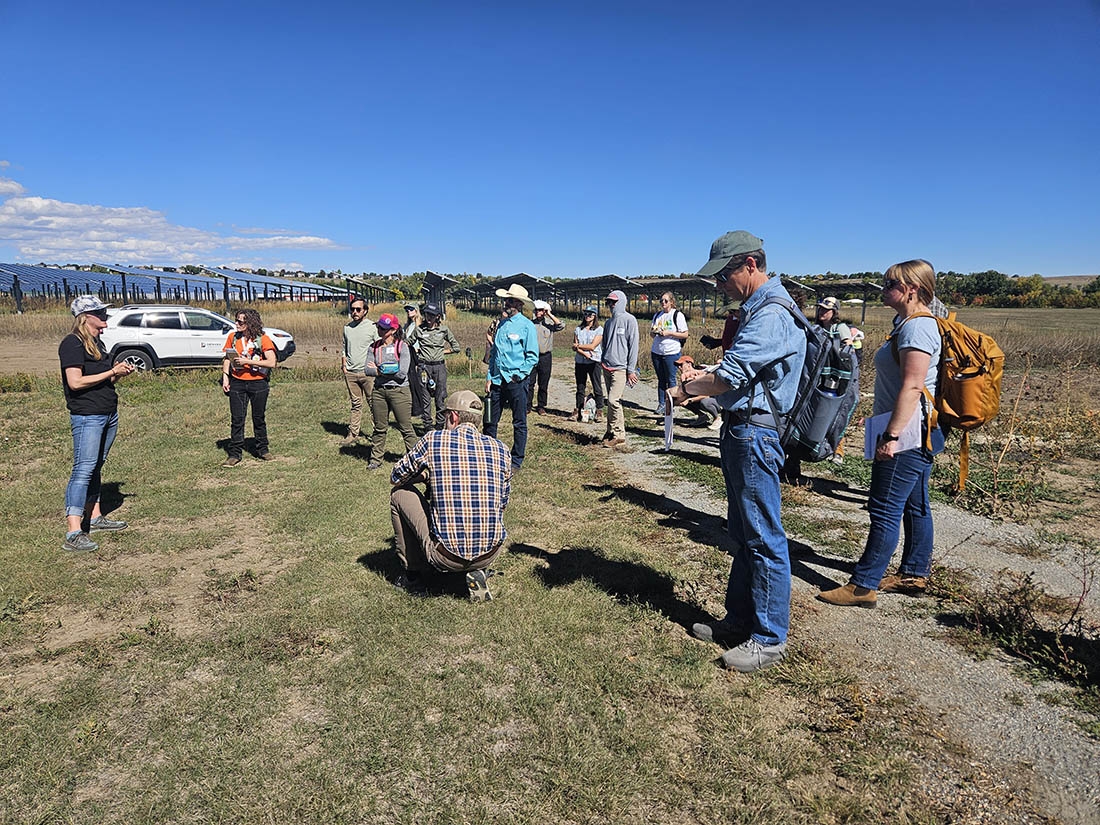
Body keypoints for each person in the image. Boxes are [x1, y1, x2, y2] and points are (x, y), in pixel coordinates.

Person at [677, 231, 805, 673]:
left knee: (764, 537)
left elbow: (731, 378)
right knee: (744, 533)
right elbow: (740, 372)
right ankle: (740, 620)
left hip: (755, 434)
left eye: (725, 275)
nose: (720, 285)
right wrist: (706, 376)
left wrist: (687, 387)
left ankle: (769, 638)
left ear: (751, 264)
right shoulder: (759, 309)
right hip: (743, 430)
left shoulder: (771, 313)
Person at [817, 260, 944, 609]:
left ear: (912, 289)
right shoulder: (907, 324)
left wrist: (890, 433)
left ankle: (863, 585)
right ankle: (914, 572)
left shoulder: (917, 329)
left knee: (884, 507)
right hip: (916, 427)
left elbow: (914, 385)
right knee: (916, 503)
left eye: (891, 283)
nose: (884, 288)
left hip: (906, 431)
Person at [390, 390, 512, 601]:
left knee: (398, 494)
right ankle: (477, 567)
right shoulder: (500, 449)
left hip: (446, 557)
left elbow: (396, 475)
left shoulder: (433, 440)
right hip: (490, 553)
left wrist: (426, 476)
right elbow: (502, 503)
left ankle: (412, 575)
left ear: (453, 417)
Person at [59, 295, 136, 552]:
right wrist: (111, 371)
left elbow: (102, 379)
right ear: (86, 317)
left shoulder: (97, 342)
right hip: (87, 415)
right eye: (100, 313)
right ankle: (73, 532)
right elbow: (76, 382)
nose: (105, 316)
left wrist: (118, 373)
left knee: (96, 466)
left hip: (107, 412)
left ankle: (95, 516)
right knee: (83, 469)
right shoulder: (72, 343)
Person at [484, 284, 539, 470]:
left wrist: (519, 375)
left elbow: (532, 356)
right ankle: (488, 455)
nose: (505, 303)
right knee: (489, 418)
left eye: (509, 300)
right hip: (497, 381)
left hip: (516, 382)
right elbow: (494, 354)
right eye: (505, 300)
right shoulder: (501, 324)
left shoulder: (527, 326)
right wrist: (489, 377)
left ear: (519, 303)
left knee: (519, 421)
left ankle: (516, 459)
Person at [221, 308, 277, 467]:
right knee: (237, 419)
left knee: (258, 418)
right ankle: (235, 454)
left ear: (250, 323)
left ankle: (263, 449)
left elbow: (271, 362)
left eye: (240, 321)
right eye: (236, 320)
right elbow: (227, 358)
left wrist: (248, 362)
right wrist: (226, 376)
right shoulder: (232, 337)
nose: (236, 324)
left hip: (258, 383)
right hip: (237, 383)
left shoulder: (263, 339)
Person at [363, 313, 419, 470]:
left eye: (383, 328)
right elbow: (367, 369)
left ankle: (416, 459)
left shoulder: (402, 347)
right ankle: (375, 459)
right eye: (379, 327)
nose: (380, 330)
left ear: (393, 330)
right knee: (379, 428)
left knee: (405, 427)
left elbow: (402, 374)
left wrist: (380, 371)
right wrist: (388, 369)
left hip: (399, 391)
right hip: (379, 391)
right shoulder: (373, 347)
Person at [405, 302, 461, 429]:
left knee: (440, 397)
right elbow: (408, 343)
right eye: (427, 314)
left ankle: (440, 424)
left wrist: (443, 351)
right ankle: (428, 425)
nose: (429, 317)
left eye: (432, 315)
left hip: (439, 367)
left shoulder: (443, 330)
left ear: (437, 316)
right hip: (424, 367)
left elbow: (456, 347)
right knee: (425, 398)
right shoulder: (419, 330)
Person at [600, 290, 639, 448]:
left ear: (622, 301)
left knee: (613, 400)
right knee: (611, 402)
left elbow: (633, 346)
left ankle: (619, 434)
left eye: (614, 302)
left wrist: (631, 369)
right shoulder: (609, 323)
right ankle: (610, 431)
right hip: (607, 366)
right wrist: (603, 360)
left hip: (621, 368)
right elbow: (605, 343)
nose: (611, 305)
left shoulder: (630, 320)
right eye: (609, 302)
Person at [341, 297, 378, 446]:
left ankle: (378, 433)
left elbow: (379, 347)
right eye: (352, 309)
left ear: (365, 311)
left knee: (373, 403)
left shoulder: (372, 327)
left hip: (367, 373)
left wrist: (376, 366)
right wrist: (344, 365)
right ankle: (353, 433)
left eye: (358, 309)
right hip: (350, 372)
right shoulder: (347, 328)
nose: (355, 312)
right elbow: (344, 348)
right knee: (356, 404)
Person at [650, 292, 689, 415]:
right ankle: (662, 404)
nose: (663, 303)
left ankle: (671, 404)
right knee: (661, 379)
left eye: (666, 301)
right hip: (657, 351)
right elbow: (651, 334)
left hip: (671, 352)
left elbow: (685, 334)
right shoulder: (657, 315)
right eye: (661, 301)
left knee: (671, 379)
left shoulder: (677, 315)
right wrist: (655, 332)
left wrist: (669, 333)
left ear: (672, 302)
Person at [527, 299, 565, 415]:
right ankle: (527, 406)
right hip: (532, 356)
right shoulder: (530, 323)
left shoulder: (549, 323)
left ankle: (541, 405)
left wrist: (549, 314)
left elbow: (561, 325)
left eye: (540, 310)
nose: (538, 312)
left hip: (545, 357)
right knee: (530, 383)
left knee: (543, 383)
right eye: (537, 310)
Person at [572, 305, 605, 422]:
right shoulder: (578, 329)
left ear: (594, 316)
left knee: (597, 386)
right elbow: (574, 347)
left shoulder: (599, 330)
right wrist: (584, 353)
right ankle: (578, 410)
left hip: (594, 361)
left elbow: (592, 346)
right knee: (580, 387)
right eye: (585, 314)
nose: (587, 316)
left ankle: (599, 410)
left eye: (590, 314)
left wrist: (579, 347)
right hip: (580, 361)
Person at [403, 303, 427, 421]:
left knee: (420, 382)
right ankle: (415, 407)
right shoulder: (407, 325)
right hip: (410, 355)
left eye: (411, 309)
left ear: (416, 310)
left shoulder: (421, 324)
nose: (408, 311)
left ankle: (423, 409)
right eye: (407, 310)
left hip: (419, 354)